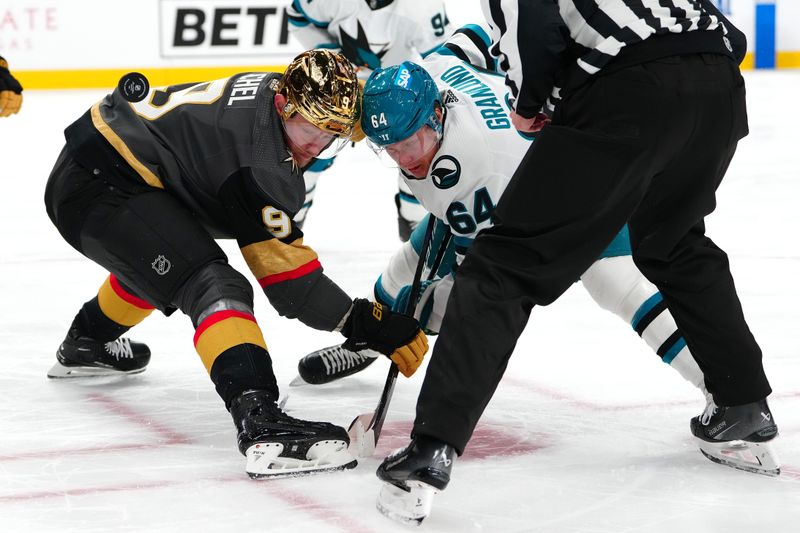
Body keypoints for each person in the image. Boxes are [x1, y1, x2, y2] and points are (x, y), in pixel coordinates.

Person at [370, 0, 780, 523]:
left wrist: (529, 103)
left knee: (500, 267)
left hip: (627, 91)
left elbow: (532, 25)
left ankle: (431, 449)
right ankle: (742, 404)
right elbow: (720, 31)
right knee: (674, 243)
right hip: (717, 83)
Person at [43, 49, 428, 478]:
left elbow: (345, 109)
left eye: (331, 136)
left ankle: (87, 342)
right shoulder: (261, 163)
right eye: (310, 133)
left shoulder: (289, 92)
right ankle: (261, 421)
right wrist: (362, 321)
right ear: (283, 106)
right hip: (98, 187)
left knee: (169, 256)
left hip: (112, 161)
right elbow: (291, 285)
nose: (316, 148)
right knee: (213, 283)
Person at [296, 28, 711, 423]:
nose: (405, 159)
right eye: (390, 148)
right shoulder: (434, 70)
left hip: (575, 187)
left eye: (411, 142)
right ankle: (370, 341)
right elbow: (474, 37)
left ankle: (720, 388)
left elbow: (478, 274)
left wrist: (422, 319)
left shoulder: (472, 171)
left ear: (437, 115)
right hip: (538, 163)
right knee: (409, 260)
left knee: (616, 283)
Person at [286, 0, 453, 239]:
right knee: (310, 148)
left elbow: (444, 58)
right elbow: (297, 16)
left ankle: (416, 221)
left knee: (417, 149)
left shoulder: (421, 7)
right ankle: (291, 214)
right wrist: (335, 63)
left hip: (400, 95)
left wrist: (414, 90)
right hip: (340, 87)